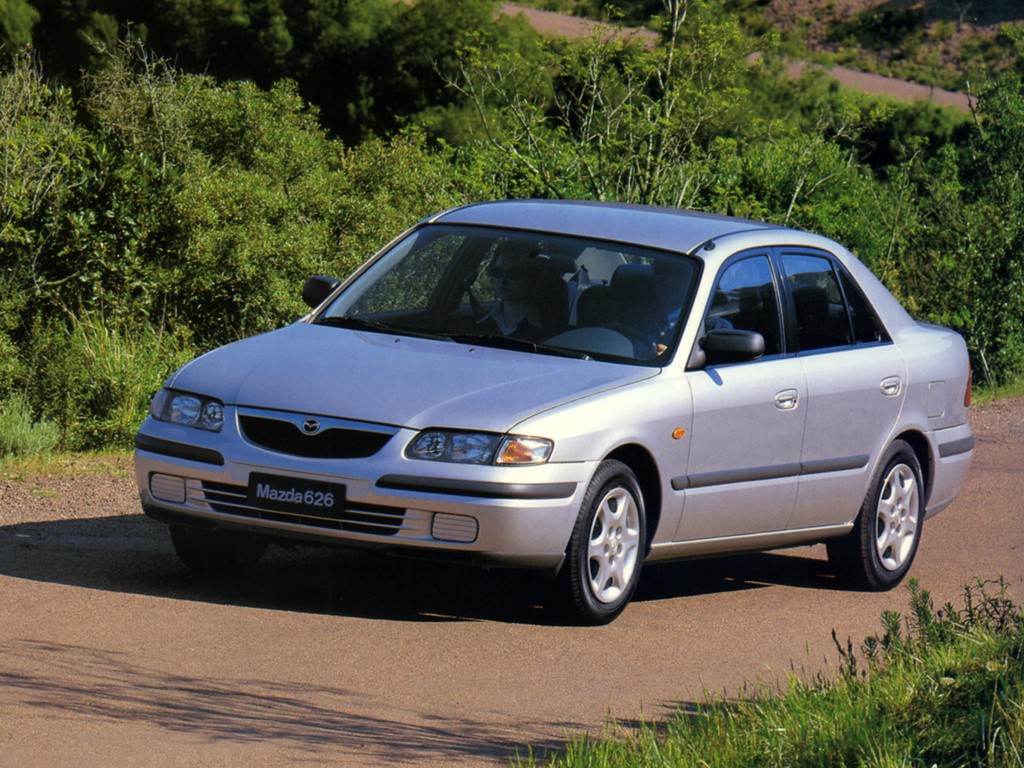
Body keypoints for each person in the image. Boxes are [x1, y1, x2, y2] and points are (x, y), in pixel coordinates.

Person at [478, 240, 566, 341]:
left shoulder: (550, 331)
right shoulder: (478, 324)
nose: (503, 280)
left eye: (514, 273)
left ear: (532, 277)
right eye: (497, 272)